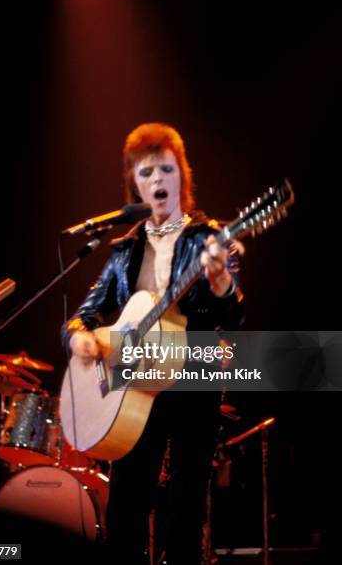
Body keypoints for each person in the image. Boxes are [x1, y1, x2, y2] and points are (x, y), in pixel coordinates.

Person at [64, 122, 245, 564]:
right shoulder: (125, 248)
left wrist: (220, 280)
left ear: (182, 176)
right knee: (127, 500)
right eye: (147, 173)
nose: (158, 180)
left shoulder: (210, 239)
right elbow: (82, 316)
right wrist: (80, 341)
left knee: (185, 503)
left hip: (192, 371)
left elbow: (234, 319)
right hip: (130, 383)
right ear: (135, 187)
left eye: (166, 169)